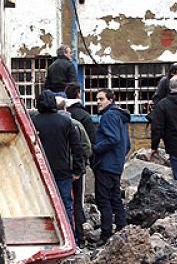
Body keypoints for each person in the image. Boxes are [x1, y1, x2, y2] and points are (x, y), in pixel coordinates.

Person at [31, 90, 85, 235]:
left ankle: (46, 238)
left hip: (40, 171)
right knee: (66, 205)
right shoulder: (65, 121)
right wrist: (77, 170)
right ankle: (71, 238)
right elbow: (76, 147)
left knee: (43, 206)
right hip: (62, 170)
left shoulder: (33, 122)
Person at [91, 88, 131, 245]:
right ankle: (122, 230)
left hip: (105, 164)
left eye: (101, 99)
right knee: (115, 198)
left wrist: (96, 149)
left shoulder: (108, 116)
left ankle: (106, 234)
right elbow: (126, 144)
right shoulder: (120, 117)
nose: (98, 102)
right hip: (116, 164)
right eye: (97, 99)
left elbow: (112, 138)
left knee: (103, 200)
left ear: (110, 100)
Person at [57, 96, 92, 244]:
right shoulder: (76, 124)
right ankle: (78, 237)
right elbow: (86, 148)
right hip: (75, 170)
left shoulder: (52, 124)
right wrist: (80, 165)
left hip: (59, 170)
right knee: (77, 202)